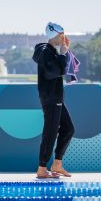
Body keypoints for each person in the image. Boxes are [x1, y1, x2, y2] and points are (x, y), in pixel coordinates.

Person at [33, 22, 75, 179]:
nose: (64, 39)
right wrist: (63, 54)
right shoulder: (47, 52)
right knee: (50, 132)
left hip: (55, 97)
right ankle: (42, 168)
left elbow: (56, 70)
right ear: (56, 35)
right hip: (51, 97)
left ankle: (57, 164)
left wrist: (62, 54)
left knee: (68, 129)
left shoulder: (49, 51)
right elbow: (54, 72)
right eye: (62, 36)